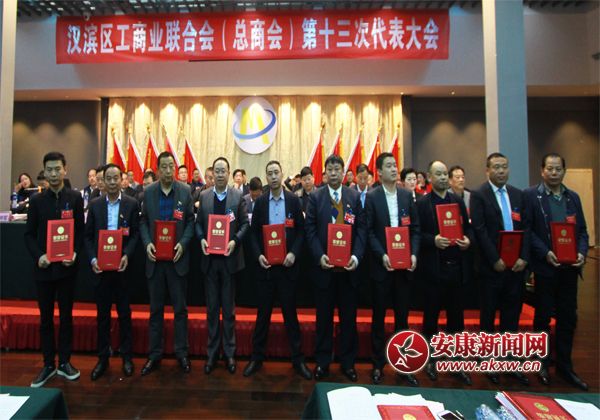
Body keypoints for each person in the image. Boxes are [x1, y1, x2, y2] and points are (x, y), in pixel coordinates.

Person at [523, 153, 589, 390]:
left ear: (564, 171)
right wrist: (545, 253)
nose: (553, 173)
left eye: (558, 169)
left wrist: (581, 252)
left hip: (569, 269)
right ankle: (541, 363)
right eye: (549, 169)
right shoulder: (532, 196)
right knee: (542, 317)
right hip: (546, 268)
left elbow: (582, 231)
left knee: (568, 318)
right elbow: (528, 230)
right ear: (542, 171)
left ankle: (564, 365)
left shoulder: (573, 197)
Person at [242, 161, 312, 380]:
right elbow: (253, 234)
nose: (273, 177)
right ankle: (256, 358)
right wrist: (258, 256)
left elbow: (301, 232)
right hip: (267, 268)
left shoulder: (293, 200)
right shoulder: (261, 202)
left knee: (290, 315)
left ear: (282, 175)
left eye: (276, 173)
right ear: (266, 177)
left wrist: (294, 253)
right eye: (269, 173)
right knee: (263, 315)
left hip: (288, 268)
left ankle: (298, 359)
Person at [25, 151, 84, 387]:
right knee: (46, 319)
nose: (53, 173)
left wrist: (75, 253)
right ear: (44, 172)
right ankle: (48, 364)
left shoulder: (75, 198)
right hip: (44, 269)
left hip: (67, 269)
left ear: (65, 170)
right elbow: (29, 235)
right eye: (49, 169)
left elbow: (80, 232)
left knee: (66, 317)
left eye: (57, 169)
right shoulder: (37, 201)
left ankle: (65, 362)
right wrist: (38, 256)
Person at [470, 153, 530, 385]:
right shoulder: (479, 195)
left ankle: (509, 361)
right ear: (488, 170)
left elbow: (526, 228)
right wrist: (494, 259)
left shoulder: (518, 195)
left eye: (504, 167)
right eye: (496, 167)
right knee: (488, 316)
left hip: (515, 268)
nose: (501, 171)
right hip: (491, 268)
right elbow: (480, 231)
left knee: (511, 317)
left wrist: (524, 257)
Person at [305, 154, 366, 382]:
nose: (333, 173)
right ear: (325, 173)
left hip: (349, 271)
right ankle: (323, 362)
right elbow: (310, 229)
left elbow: (362, 229)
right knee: (324, 319)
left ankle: (348, 363)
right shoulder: (316, 197)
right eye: (329, 169)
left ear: (343, 172)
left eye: (337, 169)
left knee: (348, 319)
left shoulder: (354, 196)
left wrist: (356, 257)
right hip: (324, 270)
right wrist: (319, 256)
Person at [416, 160, 473, 385]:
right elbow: (416, 234)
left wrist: (467, 240)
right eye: (437, 174)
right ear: (429, 177)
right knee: (431, 318)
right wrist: (433, 240)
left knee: (456, 319)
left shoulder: (456, 201)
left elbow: (468, 229)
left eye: (444, 174)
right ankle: (430, 360)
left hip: (455, 268)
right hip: (433, 270)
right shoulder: (422, 203)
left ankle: (455, 362)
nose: (441, 177)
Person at [366, 152, 420, 386]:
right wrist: (383, 255)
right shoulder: (372, 197)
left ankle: (403, 366)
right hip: (383, 267)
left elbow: (415, 229)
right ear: (379, 172)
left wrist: (414, 253)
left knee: (402, 319)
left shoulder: (407, 196)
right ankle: (377, 364)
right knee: (379, 317)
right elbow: (368, 231)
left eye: (395, 165)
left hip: (404, 268)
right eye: (388, 166)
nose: (394, 169)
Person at [139, 151, 195, 376]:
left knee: (180, 310)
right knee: (156, 310)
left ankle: (182, 353)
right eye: (164, 166)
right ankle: (154, 354)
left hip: (177, 260)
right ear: (158, 169)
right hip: (155, 260)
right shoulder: (148, 192)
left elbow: (190, 221)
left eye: (171, 166)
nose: (168, 170)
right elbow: (143, 221)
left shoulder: (185, 191)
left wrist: (183, 243)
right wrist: (147, 244)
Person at [84, 163, 140, 380]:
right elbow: (88, 236)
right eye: (109, 178)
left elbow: (135, 234)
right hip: (101, 269)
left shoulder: (131, 204)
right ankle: (102, 358)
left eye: (116, 178)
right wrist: (93, 259)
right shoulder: (95, 205)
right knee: (103, 316)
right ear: (103, 181)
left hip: (123, 268)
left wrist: (127, 254)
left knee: (125, 314)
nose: (113, 182)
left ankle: (127, 357)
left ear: (122, 180)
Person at [195, 157, 249, 375]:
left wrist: (234, 241)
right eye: (216, 171)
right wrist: (201, 239)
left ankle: (229, 353)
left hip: (229, 260)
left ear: (228, 173)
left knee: (228, 310)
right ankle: (211, 353)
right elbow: (198, 224)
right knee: (211, 310)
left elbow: (245, 224)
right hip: (210, 261)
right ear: (212, 173)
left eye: (223, 171)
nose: (219, 174)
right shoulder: (204, 196)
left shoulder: (237, 196)